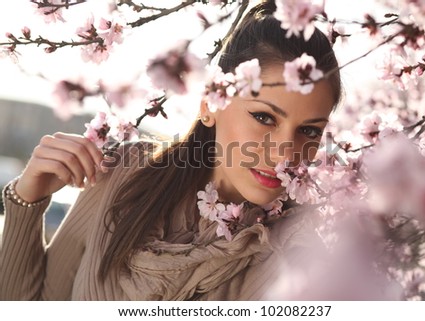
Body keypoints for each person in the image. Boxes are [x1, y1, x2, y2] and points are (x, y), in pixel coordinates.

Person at [0, 0, 341, 300]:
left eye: (309, 131)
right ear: (211, 102)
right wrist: (26, 201)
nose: (285, 155)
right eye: (264, 117)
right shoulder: (126, 173)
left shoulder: (299, 262)